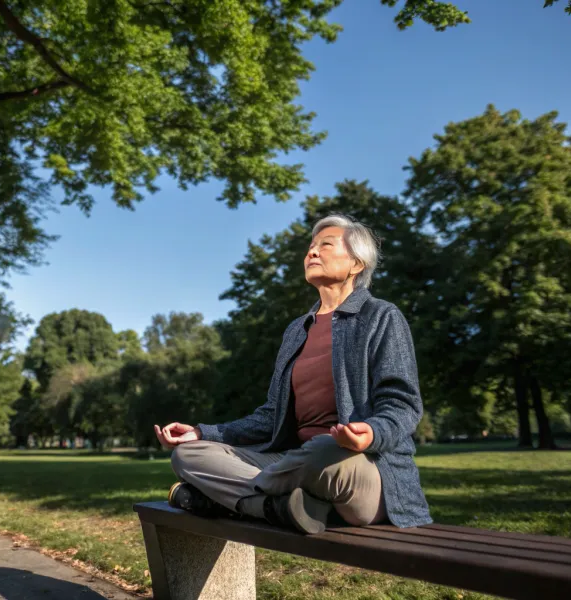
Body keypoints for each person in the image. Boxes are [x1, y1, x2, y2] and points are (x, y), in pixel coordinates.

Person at [154, 214, 431, 534]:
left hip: (357, 466)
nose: (312, 253)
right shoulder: (297, 331)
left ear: (356, 264)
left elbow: (403, 404)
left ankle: (228, 499)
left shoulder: (381, 317)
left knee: (322, 450)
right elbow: (271, 417)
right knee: (188, 455)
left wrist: (370, 432)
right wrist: (202, 433)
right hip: (293, 461)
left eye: (325, 245)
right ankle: (274, 507)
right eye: (310, 247)